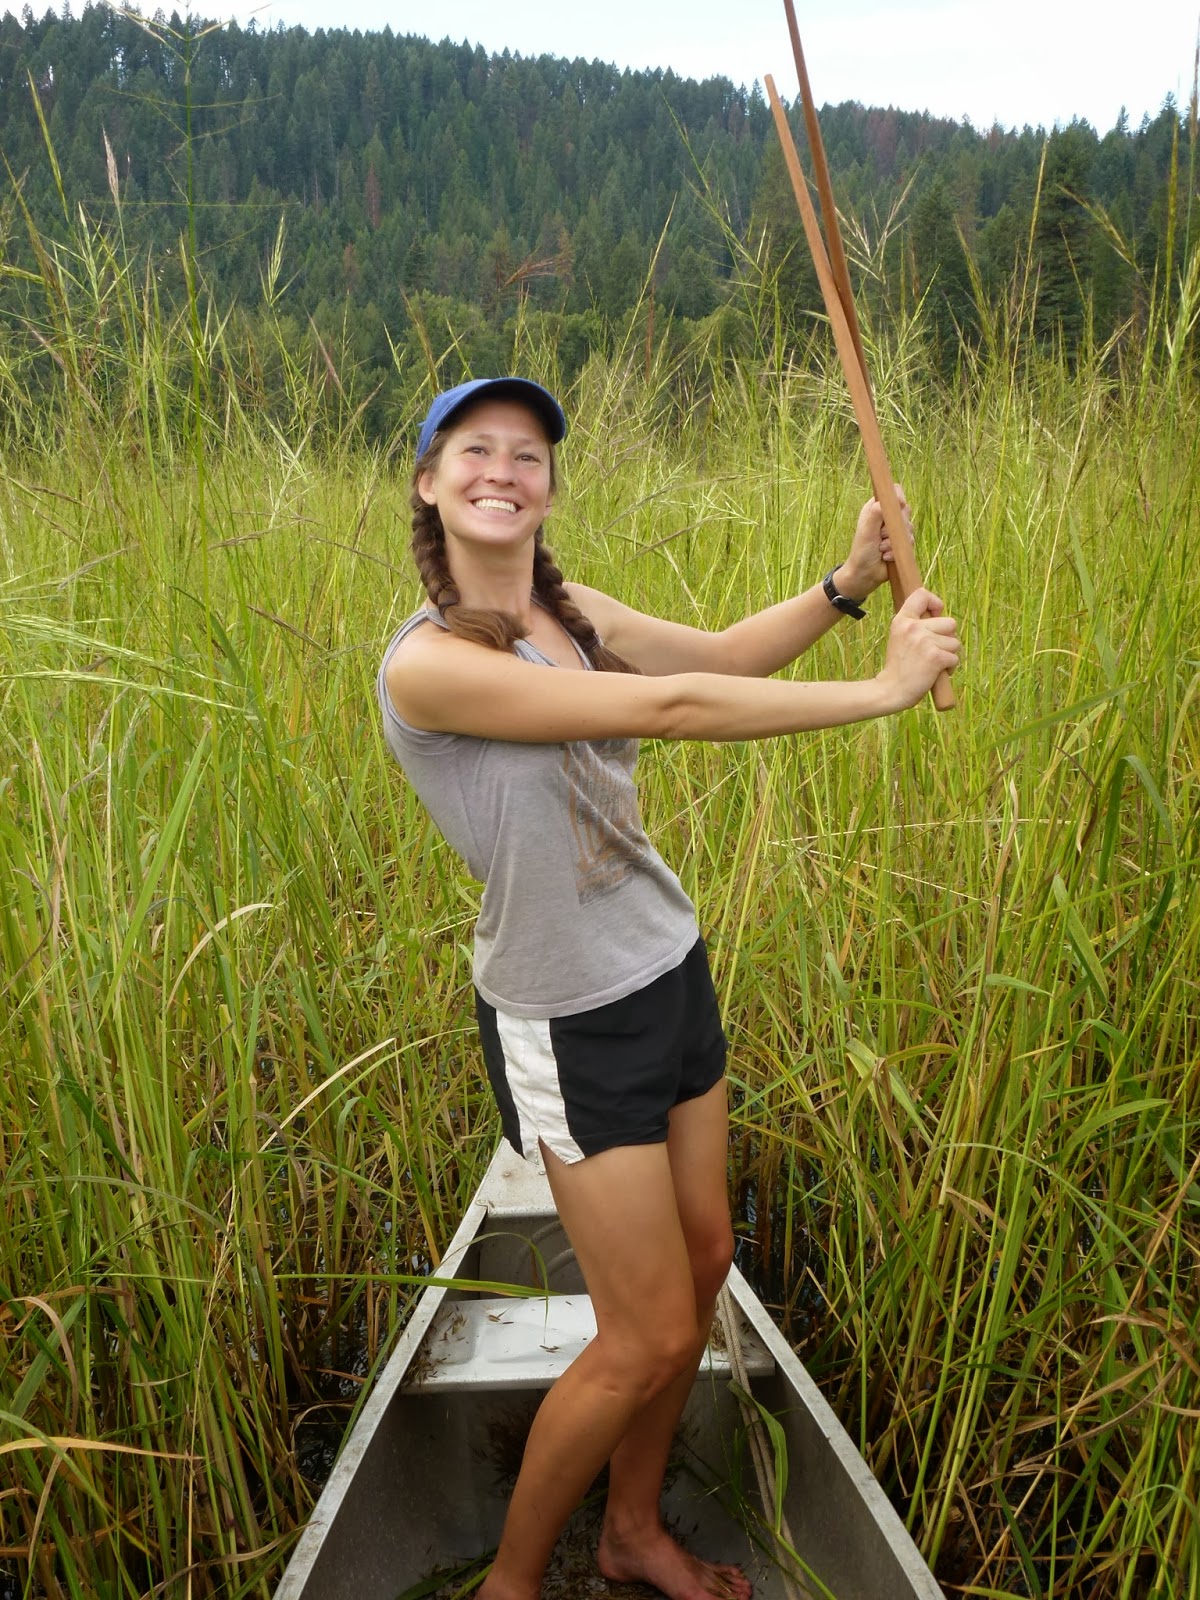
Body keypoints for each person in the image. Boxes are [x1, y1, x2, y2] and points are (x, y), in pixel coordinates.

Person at [377, 376, 960, 1600]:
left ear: (547, 485)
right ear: (428, 485)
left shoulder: (567, 607)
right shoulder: (428, 668)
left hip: (666, 970)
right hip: (567, 1016)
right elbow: (673, 705)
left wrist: (845, 587)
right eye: (473, 451)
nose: (502, 469)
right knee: (641, 1335)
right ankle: (512, 1583)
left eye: (526, 453)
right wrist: (882, 692)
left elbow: (720, 655)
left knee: (704, 1260)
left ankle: (633, 1530)